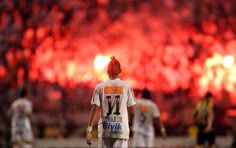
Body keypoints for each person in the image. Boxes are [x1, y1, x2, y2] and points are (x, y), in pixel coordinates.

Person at [86, 56, 136, 148]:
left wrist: (89, 130)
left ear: (107, 71)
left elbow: (95, 108)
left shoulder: (100, 87)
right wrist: (130, 124)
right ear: (120, 70)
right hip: (121, 130)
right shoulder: (127, 87)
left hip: (105, 130)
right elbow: (132, 110)